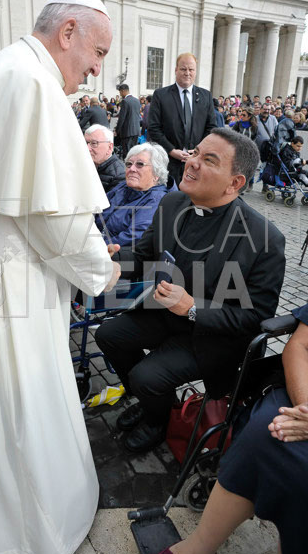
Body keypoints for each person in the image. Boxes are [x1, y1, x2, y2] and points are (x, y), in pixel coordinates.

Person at [0, 0, 121, 554]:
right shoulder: (36, 84)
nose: (97, 69)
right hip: (5, 282)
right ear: (67, 32)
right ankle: (24, 533)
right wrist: (103, 272)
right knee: (19, 403)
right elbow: (57, 221)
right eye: (98, 52)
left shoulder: (2, 67)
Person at [95, 128, 285, 453]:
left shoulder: (264, 238)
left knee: (146, 376)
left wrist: (192, 307)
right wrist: (109, 259)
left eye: (208, 160)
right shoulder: (173, 202)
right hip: (162, 312)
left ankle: (159, 421)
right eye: (194, 152)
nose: (192, 162)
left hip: (212, 336)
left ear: (235, 183)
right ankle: (153, 403)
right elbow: (143, 255)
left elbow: (255, 317)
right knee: (108, 335)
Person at [153, 302, 308, 554]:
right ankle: (198, 549)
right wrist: (304, 408)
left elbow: (252, 310)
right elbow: (300, 345)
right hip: (301, 393)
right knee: (266, 431)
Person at [148, 53, 217, 187]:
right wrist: (171, 150)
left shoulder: (206, 96)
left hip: (196, 162)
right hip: (168, 161)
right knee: (169, 197)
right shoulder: (161, 95)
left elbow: (211, 128)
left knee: (191, 198)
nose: (187, 73)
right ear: (176, 70)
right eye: (183, 69)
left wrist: (198, 150)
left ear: (195, 71)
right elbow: (154, 128)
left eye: (191, 69)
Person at [96, 142, 176, 247]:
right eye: (129, 164)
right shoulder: (123, 186)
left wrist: (96, 247)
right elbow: (97, 209)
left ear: (156, 173)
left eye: (140, 164)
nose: (132, 169)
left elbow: (132, 237)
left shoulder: (157, 200)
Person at [84, 124, 125, 192]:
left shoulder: (120, 176)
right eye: (85, 143)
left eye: (94, 143)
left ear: (110, 147)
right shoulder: (85, 165)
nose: (87, 148)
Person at [115, 83, 141, 157]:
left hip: (127, 132)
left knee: (127, 154)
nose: (120, 94)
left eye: (120, 92)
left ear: (123, 91)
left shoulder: (125, 101)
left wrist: (117, 130)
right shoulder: (137, 100)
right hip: (136, 130)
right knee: (134, 154)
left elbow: (122, 118)